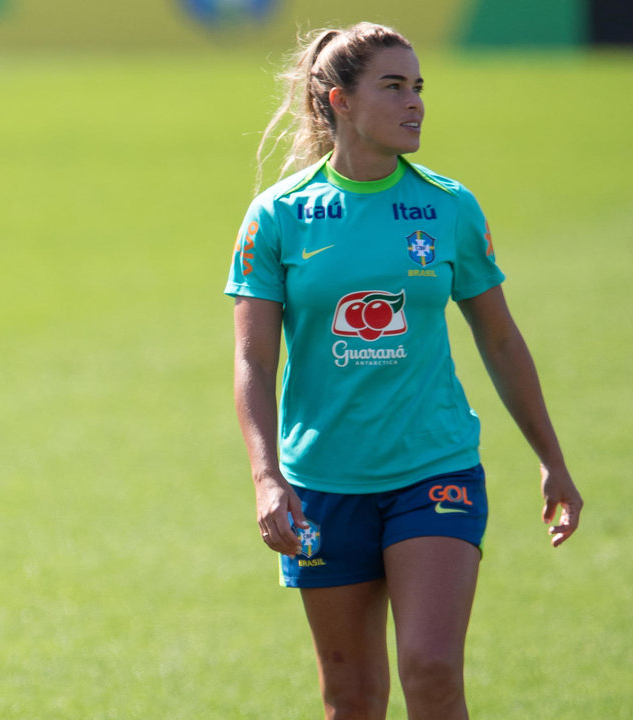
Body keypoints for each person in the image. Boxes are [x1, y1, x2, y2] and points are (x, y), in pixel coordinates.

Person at [226, 22, 582, 720]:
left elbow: (501, 341)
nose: (415, 102)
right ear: (340, 101)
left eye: (419, 87)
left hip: (433, 468)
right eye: (394, 86)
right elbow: (253, 358)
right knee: (351, 697)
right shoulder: (278, 218)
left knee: (431, 670)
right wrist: (267, 477)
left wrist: (552, 458)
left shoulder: (449, 207)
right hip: (322, 484)